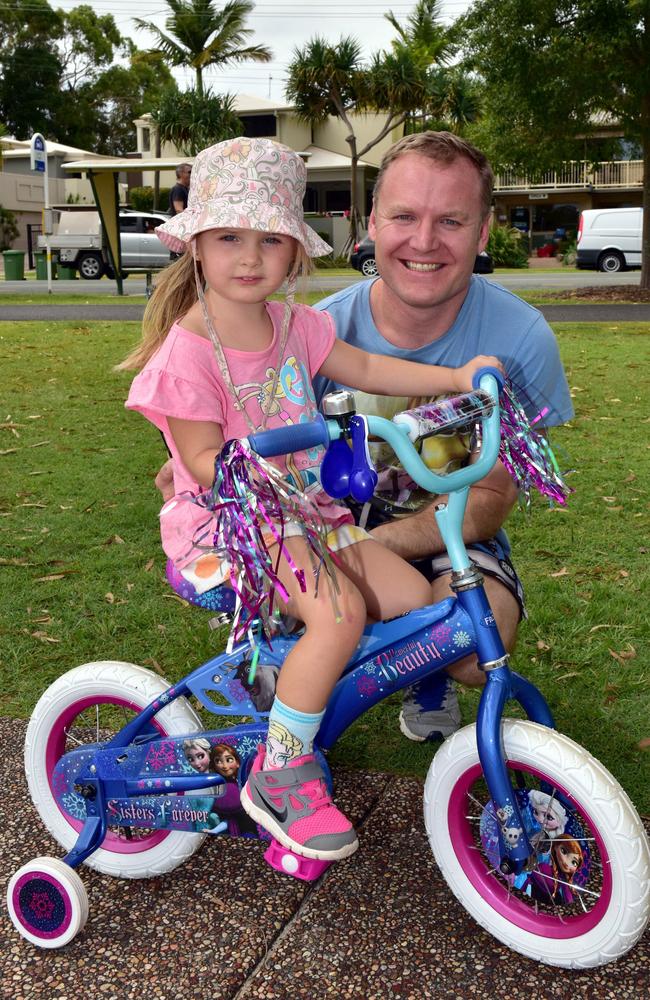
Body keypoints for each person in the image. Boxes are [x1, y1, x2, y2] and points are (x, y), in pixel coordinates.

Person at [120, 136, 502, 864]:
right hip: (229, 528)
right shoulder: (188, 352)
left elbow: (363, 366)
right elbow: (200, 459)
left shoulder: (298, 326)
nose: (249, 256)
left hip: (304, 515)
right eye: (229, 236)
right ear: (195, 243)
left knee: (410, 596)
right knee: (340, 610)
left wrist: (456, 380)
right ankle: (283, 771)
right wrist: (247, 460)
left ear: (295, 252)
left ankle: (295, 678)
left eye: (270, 239)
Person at [313, 131, 573, 742]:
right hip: (326, 526)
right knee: (297, 604)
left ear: (482, 232)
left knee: (474, 644)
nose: (424, 241)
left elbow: (489, 495)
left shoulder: (521, 338)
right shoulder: (319, 332)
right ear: (372, 222)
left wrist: (375, 547)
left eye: (450, 220)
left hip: (446, 526)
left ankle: (425, 670)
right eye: (404, 215)